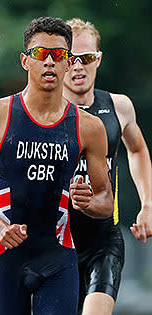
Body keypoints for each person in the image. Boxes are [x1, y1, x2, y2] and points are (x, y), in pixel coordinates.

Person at [0, 17, 115, 315]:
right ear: (25, 60)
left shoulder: (88, 127)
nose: (50, 63)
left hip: (58, 258)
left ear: (69, 63)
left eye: (59, 55)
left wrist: (89, 203)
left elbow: (107, 200)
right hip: (5, 257)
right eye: (41, 54)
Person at [63, 18, 152, 315]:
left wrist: (147, 204)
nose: (78, 67)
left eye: (86, 58)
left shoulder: (119, 106)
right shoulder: (42, 114)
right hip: (56, 243)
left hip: (104, 239)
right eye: (70, 58)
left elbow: (137, 149)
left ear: (98, 59)